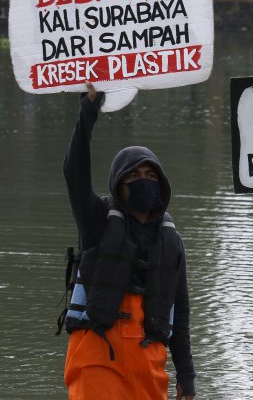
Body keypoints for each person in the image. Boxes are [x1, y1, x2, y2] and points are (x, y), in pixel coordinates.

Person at [62, 83, 196, 399]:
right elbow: (74, 171)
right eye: (133, 178)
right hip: (97, 362)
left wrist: (186, 377)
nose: (143, 182)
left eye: (151, 177)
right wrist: (88, 111)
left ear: (162, 185)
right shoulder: (96, 222)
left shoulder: (172, 242)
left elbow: (183, 315)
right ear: (118, 187)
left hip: (148, 365)